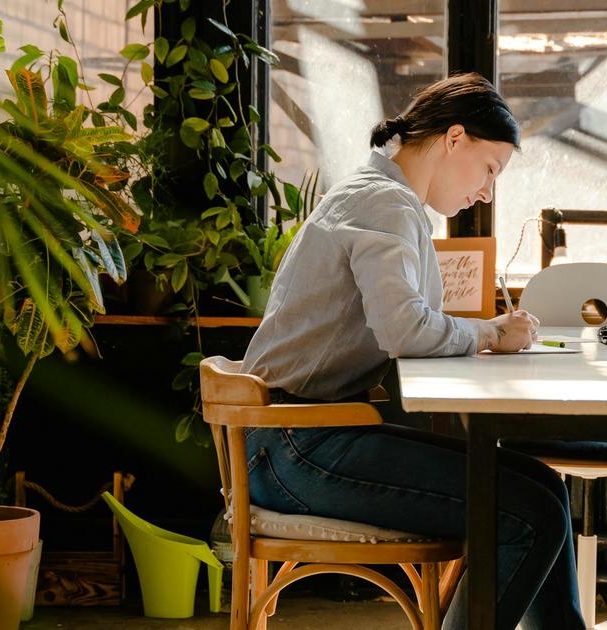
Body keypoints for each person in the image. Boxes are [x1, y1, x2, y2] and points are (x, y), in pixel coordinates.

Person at [240, 73, 585, 630]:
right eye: (490, 170)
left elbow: (405, 324)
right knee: (531, 515)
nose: (486, 192)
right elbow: (403, 330)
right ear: (454, 140)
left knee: (543, 487)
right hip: (298, 447)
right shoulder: (386, 204)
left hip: (297, 436)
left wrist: (481, 333)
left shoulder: (374, 194)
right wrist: (492, 334)